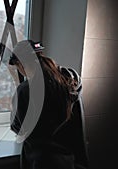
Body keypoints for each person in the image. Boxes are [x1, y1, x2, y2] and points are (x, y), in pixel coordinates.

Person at [9, 40, 88, 169]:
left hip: (42, 161)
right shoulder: (70, 81)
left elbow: (20, 129)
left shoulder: (25, 91)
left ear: (21, 64)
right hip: (71, 159)